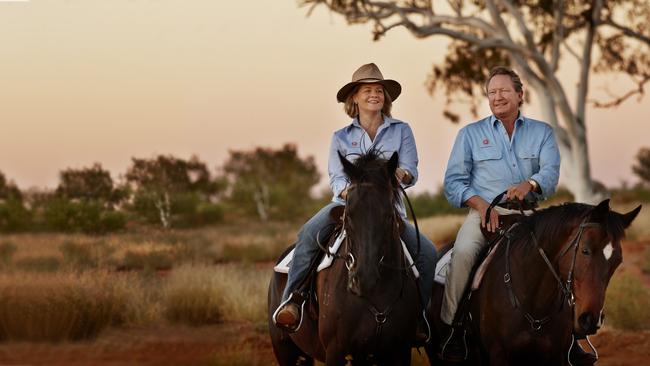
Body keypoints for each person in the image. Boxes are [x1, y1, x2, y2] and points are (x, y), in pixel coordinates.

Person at [438, 66, 595, 365]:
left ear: (520, 95)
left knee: (562, 263)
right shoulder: (469, 135)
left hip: (530, 218)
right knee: (462, 255)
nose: (497, 97)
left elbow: (549, 172)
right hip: (485, 215)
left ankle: (571, 337)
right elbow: (454, 183)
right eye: (492, 93)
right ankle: (452, 330)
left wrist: (531, 184)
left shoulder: (542, 132)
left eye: (504, 91)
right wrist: (482, 206)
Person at [272, 63, 437, 343]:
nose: (375, 95)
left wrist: (401, 173)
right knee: (309, 234)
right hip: (348, 207)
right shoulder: (341, 137)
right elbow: (336, 178)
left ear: (386, 97)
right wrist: (350, 191)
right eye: (367, 90)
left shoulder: (401, 131)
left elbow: (411, 170)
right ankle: (293, 300)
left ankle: (418, 316)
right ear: (355, 99)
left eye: (379, 90)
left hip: (387, 210)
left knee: (428, 253)